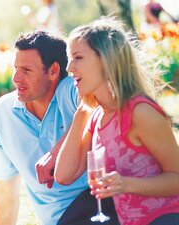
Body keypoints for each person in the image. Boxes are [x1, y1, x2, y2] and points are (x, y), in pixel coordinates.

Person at [55, 17, 179, 225]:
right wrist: (81, 114)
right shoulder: (97, 116)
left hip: (164, 218)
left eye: (77, 57)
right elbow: (63, 175)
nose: (69, 67)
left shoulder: (139, 113)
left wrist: (126, 184)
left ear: (106, 59)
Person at [0, 30, 115, 225]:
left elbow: (99, 104)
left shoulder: (71, 90)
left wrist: (54, 154)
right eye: (16, 68)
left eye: (26, 70)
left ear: (54, 71)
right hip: (60, 219)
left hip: (98, 204)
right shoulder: (3, 112)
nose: (16, 78)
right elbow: (6, 187)